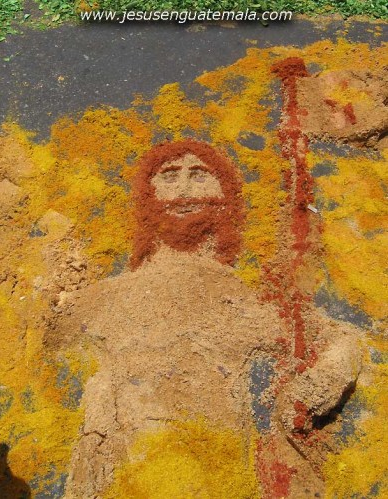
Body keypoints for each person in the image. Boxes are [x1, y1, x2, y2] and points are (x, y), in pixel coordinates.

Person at [61, 140, 362, 498]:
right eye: (169, 176)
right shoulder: (109, 297)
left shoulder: (244, 297)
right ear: (147, 195)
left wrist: (309, 394)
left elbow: (340, 340)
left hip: (219, 473)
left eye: (200, 175)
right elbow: (44, 337)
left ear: (224, 195)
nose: (184, 191)